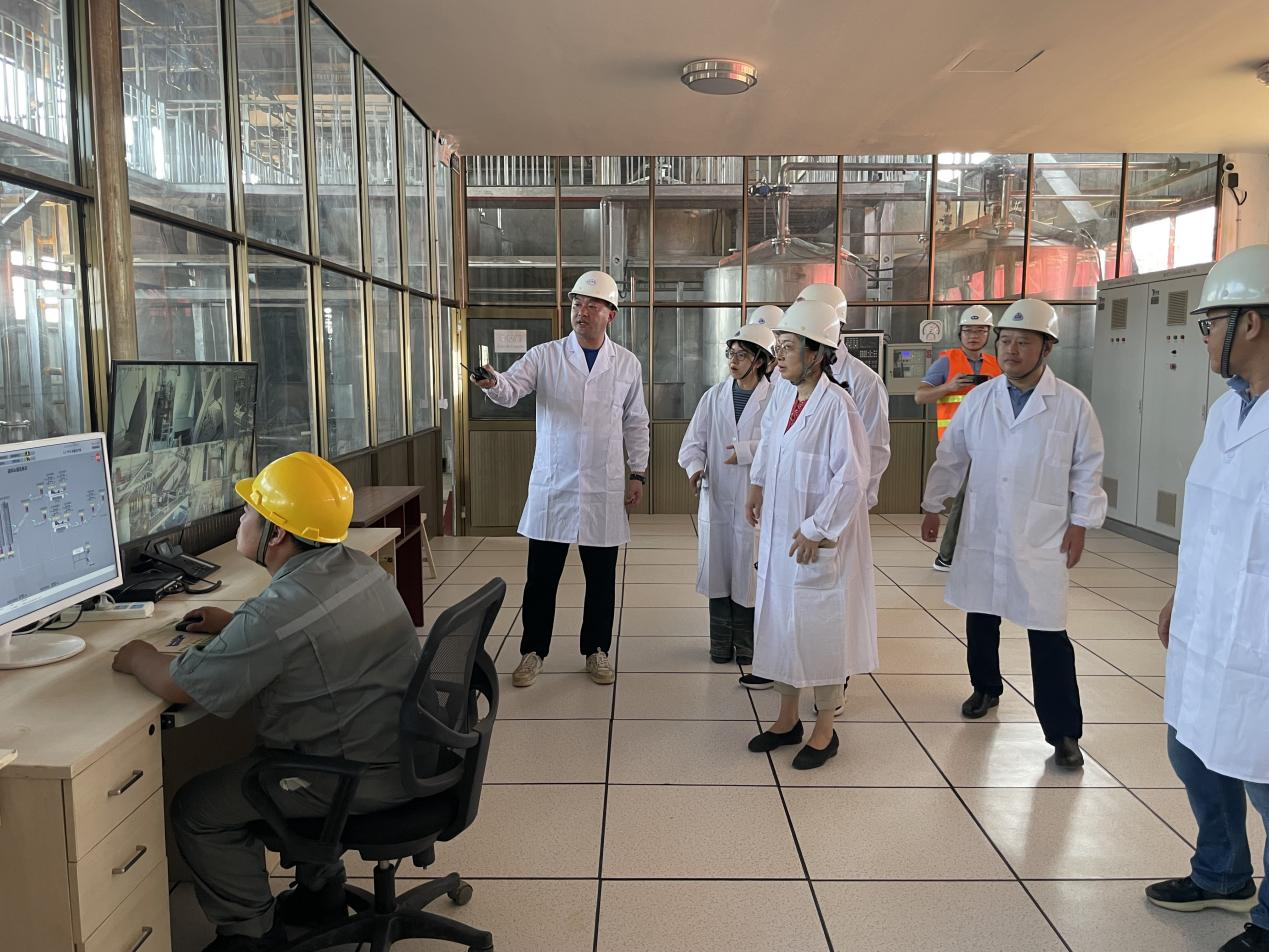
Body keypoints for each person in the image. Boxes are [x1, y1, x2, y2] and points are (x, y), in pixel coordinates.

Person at [112, 452, 421, 952]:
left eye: (248, 512)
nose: (241, 520)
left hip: (350, 775)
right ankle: (322, 895)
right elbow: (308, 631)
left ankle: (251, 934)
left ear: (276, 534)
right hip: (403, 751)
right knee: (276, 749)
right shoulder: (359, 567)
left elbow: (180, 686)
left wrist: (137, 655)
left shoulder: (277, 613)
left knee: (196, 809)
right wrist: (237, 626)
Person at [920, 298, 1106, 770]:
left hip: (1042, 533)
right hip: (984, 526)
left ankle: (1064, 731)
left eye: (1024, 342)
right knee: (980, 615)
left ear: (1047, 348)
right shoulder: (980, 399)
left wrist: (1081, 522)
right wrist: (933, 505)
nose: (1011, 350)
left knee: (1048, 631)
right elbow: (952, 456)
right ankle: (985, 688)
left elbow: (1088, 468)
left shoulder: (1072, 405)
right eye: (1006, 341)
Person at [1145, 244, 1269, 952]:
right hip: (1208, 616)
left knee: (1263, 772)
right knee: (1191, 744)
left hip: (1258, 630)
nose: (1201, 338)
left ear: (1248, 323)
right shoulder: (1228, 411)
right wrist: (1181, 593)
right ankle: (1221, 872)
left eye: (1208, 323)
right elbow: (1214, 517)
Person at [473, 270, 650, 688]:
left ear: (610, 314)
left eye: (592, 305)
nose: (581, 311)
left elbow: (636, 421)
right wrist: (492, 382)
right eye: (576, 303)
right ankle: (533, 651)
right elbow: (510, 389)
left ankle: (596, 650)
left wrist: (638, 472)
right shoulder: (545, 356)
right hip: (555, 485)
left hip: (603, 486)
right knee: (541, 578)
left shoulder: (626, 363)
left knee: (601, 579)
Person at [743, 300, 878, 770]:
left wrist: (816, 529)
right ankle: (787, 719)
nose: (778, 355)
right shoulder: (783, 394)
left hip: (814, 541)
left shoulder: (838, 405)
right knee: (781, 623)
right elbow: (768, 442)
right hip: (781, 535)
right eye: (778, 346)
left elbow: (852, 478)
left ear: (816, 353)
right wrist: (757, 484)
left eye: (788, 347)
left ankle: (824, 728)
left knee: (820, 631)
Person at [678, 313, 777, 665]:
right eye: (730, 353)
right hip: (717, 497)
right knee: (718, 570)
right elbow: (692, 444)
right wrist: (695, 468)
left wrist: (745, 451)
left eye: (742, 355)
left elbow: (781, 445)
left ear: (760, 361)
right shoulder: (714, 397)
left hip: (755, 498)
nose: (733, 361)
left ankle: (748, 646)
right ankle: (720, 643)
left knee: (749, 572)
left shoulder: (777, 398)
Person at [915, 305, 1002, 571]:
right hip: (957, 443)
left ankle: (969, 552)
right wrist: (949, 386)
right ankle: (947, 555)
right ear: (960, 333)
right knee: (963, 498)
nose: (974, 336)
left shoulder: (997, 364)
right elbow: (920, 396)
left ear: (989, 334)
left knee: (983, 499)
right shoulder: (947, 362)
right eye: (968, 330)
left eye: (980, 330)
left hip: (991, 443)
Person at [794, 283, 892, 509]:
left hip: (840, 498)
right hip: (793, 495)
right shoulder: (789, 377)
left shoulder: (864, 380)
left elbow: (874, 448)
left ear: (834, 325)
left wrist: (856, 505)